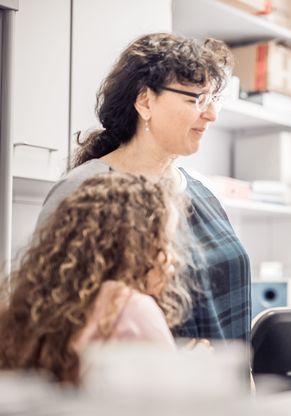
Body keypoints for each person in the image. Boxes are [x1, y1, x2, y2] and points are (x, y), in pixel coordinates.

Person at [36, 33, 251, 342]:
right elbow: (50, 321)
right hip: (147, 389)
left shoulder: (203, 190)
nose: (212, 114)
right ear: (145, 101)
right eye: (196, 99)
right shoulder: (85, 190)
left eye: (214, 99)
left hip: (228, 387)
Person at [0, 173, 192, 384]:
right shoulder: (130, 307)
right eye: (164, 243)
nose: (172, 258)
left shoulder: (40, 307)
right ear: (133, 248)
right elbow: (171, 398)